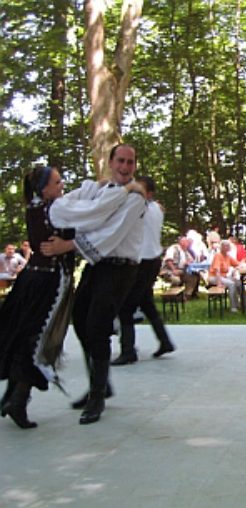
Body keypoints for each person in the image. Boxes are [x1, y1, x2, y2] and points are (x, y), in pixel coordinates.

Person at [48, 143, 147, 425]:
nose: (125, 167)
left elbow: (109, 235)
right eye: (120, 161)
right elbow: (72, 211)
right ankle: (101, 384)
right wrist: (86, 219)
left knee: (97, 325)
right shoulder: (98, 190)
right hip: (97, 265)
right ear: (110, 161)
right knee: (79, 318)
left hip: (120, 268)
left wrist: (68, 244)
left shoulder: (135, 199)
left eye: (130, 162)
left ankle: (97, 397)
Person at [0, 166, 74, 429]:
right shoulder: (54, 209)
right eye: (56, 181)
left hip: (32, 278)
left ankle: (13, 396)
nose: (61, 184)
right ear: (44, 189)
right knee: (37, 342)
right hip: (48, 281)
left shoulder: (35, 207)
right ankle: (18, 399)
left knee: (24, 336)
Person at [111, 176, 175, 365]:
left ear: (148, 194)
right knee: (146, 303)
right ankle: (164, 341)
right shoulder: (156, 208)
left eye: (138, 189)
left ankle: (128, 350)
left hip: (141, 262)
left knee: (126, 307)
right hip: (153, 260)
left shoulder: (141, 208)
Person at [208, 240, 244, 312]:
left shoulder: (228, 256)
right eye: (225, 246)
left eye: (228, 246)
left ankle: (245, 303)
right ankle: (233, 307)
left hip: (224, 277)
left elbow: (238, 264)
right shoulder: (218, 255)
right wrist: (219, 283)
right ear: (221, 247)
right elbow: (217, 270)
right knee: (231, 284)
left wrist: (235, 269)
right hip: (214, 277)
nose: (227, 247)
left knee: (238, 282)